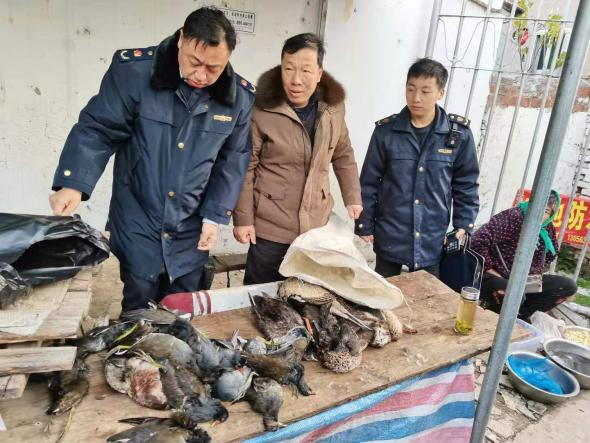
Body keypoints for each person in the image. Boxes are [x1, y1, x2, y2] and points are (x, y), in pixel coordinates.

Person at [49, 7, 255, 311]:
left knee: (183, 306)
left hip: (191, 222)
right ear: (182, 40)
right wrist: (74, 184)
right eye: (195, 62)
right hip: (138, 211)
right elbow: (99, 128)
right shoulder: (134, 73)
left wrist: (214, 216)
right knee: (139, 301)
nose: (202, 75)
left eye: (214, 68)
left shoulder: (238, 98)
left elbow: (233, 161)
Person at [232, 33, 363, 285]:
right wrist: (243, 219)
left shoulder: (333, 108)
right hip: (271, 225)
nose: (295, 80)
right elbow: (245, 167)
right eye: (288, 69)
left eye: (305, 70)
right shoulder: (261, 109)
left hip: (316, 225)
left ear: (319, 73)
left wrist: (353, 196)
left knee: (308, 294)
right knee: (261, 295)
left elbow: (343, 153)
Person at [355, 58, 479, 278]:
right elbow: (369, 182)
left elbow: (466, 183)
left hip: (432, 238)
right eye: (411, 89)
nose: (416, 98)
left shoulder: (458, 135)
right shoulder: (386, 132)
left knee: (427, 301)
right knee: (383, 300)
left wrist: (464, 223)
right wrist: (364, 223)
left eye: (425, 91)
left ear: (440, 93)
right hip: (390, 235)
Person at [471, 190, 577, 320]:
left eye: (546, 212)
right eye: (538, 207)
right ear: (531, 204)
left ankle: (521, 315)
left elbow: (551, 254)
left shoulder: (547, 228)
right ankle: (498, 316)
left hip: (524, 279)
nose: (539, 213)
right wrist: (492, 270)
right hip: (496, 275)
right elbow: (478, 240)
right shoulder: (512, 217)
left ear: (551, 215)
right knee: (514, 294)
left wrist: (534, 273)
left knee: (566, 287)